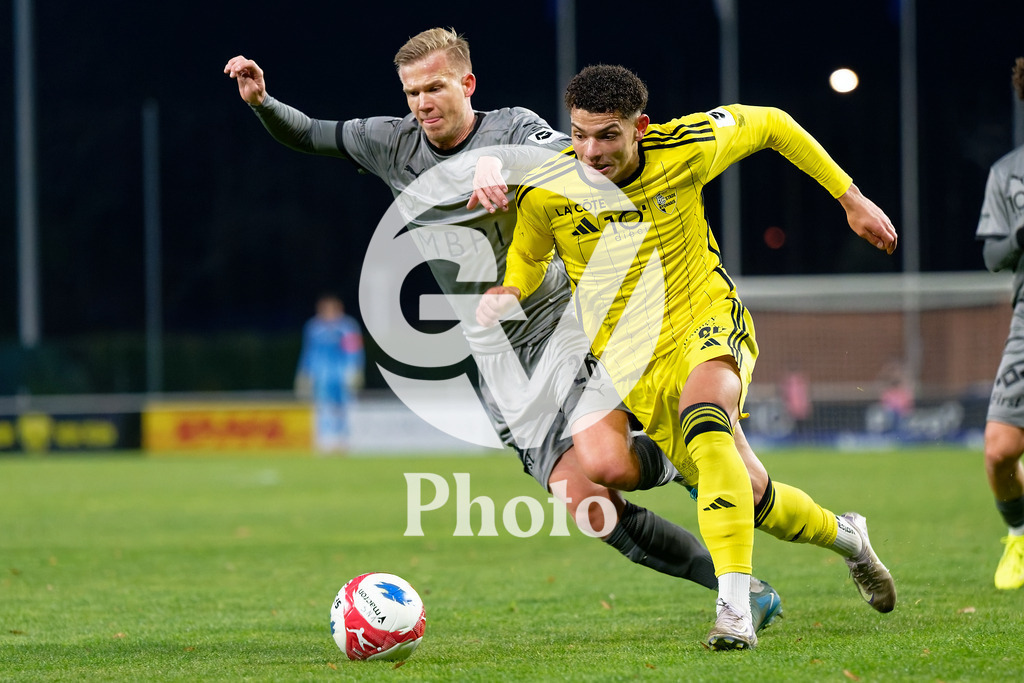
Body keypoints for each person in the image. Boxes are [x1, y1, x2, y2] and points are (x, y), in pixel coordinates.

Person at [224, 29, 782, 628]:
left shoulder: (514, 126)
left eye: (434, 86)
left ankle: (699, 457)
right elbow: (311, 134)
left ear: (466, 84)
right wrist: (263, 104)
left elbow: (569, 162)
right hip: (498, 358)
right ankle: (739, 586)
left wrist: (501, 165)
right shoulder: (391, 143)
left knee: (613, 463)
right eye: (412, 91)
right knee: (590, 505)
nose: (422, 102)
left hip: (567, 325)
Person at [479, 64, 898, 649]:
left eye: (607, 135)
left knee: (706, 420)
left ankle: (733, 611)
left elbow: (772, 124)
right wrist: (508, 291)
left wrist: (850, 198)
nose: (590, 151)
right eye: (579, 134)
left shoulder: (685, 146)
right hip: (631, 364)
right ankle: (850, 539)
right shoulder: (549, 189)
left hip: (703, 321)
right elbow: (526, 258)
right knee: (749, 499)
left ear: (640, 128)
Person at [976, 56, 1024, 591]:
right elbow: (993, 256)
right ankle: (1018, 535)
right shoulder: (1008, 173)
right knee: (999, 450)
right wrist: (1021, 237)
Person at [296, 293, 365, 453]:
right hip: (321, 374)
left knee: (345, 407)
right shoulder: (313, 327)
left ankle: (345, 440)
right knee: (323, 407)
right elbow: (308, 352)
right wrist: (304, 373)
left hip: (341, 373)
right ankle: (326, 440)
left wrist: (354, 370)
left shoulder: (347, 326)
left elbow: (354, 351)